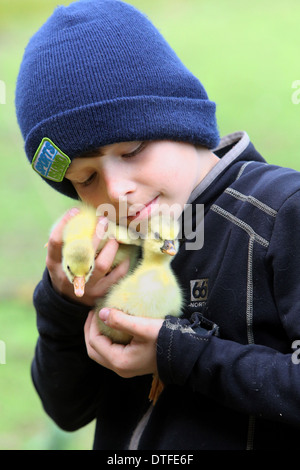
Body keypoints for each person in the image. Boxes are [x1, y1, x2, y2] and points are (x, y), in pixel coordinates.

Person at [15, 0, 300, 450]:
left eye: (131, 151)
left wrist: (179, 354)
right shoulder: (111, 250)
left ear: (180, 119)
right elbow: (67, 409)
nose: (115, 191)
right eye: (85, 179)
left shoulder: (280, 212)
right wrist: (64, 300)